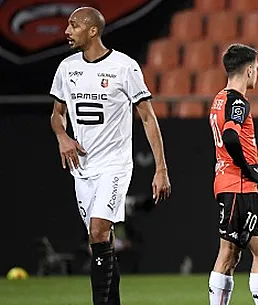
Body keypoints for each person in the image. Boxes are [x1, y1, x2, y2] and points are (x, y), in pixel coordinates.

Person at [49, 7, 171, 305]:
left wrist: (161, 169)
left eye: (73, 25)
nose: (67, 31)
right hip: (82, 168)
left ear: (92, 30)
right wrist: (62, 135)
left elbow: (147, 118)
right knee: (99, 241)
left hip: (114, 166)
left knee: (99, 229)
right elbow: (57, 113)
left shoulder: (123, 67)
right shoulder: (67, 68)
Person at [207, 43, 258, 305]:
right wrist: (249, 169)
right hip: (239, 185)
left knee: (232, 253)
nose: (257, 73)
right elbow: (231, 136)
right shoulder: (237, 101)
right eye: (256, 68)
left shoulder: (219, 98)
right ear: (248, 70)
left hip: (226, 182)